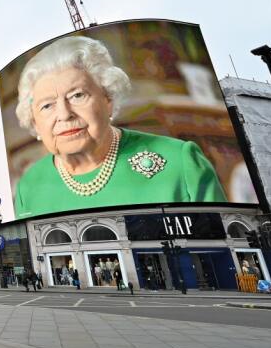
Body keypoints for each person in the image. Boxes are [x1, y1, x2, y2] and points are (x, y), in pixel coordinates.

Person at [12, 35, 227, 219]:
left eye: (77, 95)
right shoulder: (28, 187)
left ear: (108, 98)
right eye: (47, 105)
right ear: (35, 122)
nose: (64, 114)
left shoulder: (180, 160)